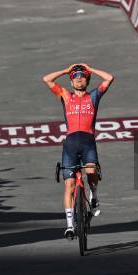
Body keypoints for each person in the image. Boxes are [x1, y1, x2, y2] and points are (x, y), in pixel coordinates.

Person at [42, 63, 114, 240]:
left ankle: (94, 195)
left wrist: (90, 67)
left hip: (88, 142)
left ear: (87, 79)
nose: (79, 78)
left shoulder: (94, 96)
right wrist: (67, 70)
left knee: (91, 173)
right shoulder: (65, 95)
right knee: (70, 185)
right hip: (71, 145)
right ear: (71, 81)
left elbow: (109, 78)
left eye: (82, 75)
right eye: (75, 76)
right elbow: (47, 79)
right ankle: (69, 226)